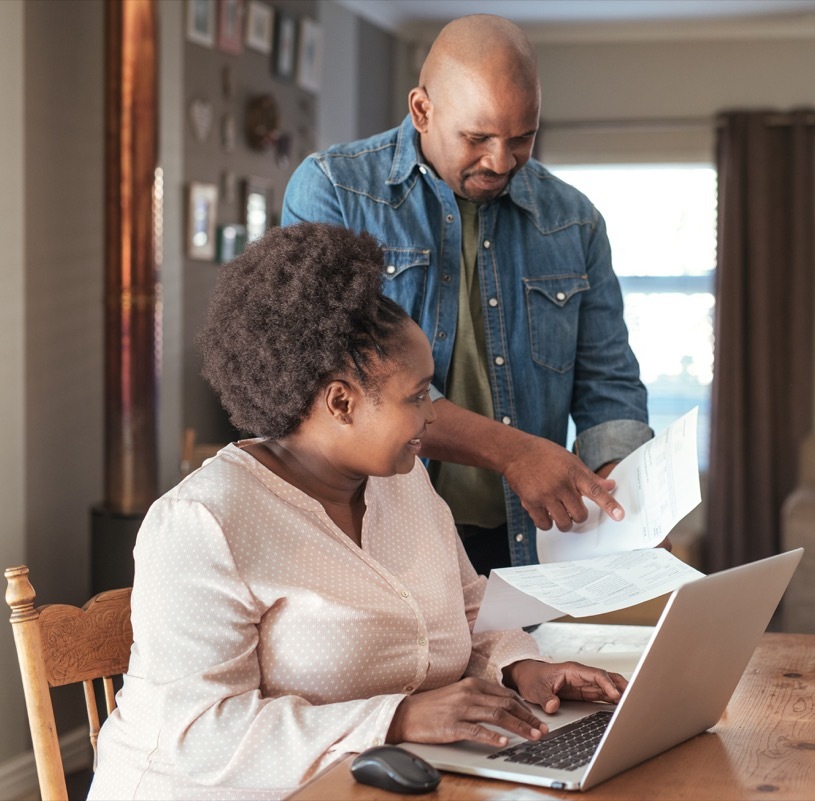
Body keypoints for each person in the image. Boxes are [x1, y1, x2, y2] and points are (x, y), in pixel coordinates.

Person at [88, 223, 626, 800]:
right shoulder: (204, 522)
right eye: (417, 397)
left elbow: (467, 609)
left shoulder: (402, 483)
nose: (430, 419)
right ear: (341, 402)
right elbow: (200, 736)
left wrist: (525, 668)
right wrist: (398, 719)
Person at [282, 14, 655, 574]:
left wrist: (628, 503)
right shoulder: (334, 192)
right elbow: (350, 382)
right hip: (372, 536)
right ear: (422, 111)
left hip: (522, 543)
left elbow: (609, 384)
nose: (501, 162)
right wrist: (515, 453)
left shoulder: (575, 222)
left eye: (522, 138)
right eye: (477, 138)